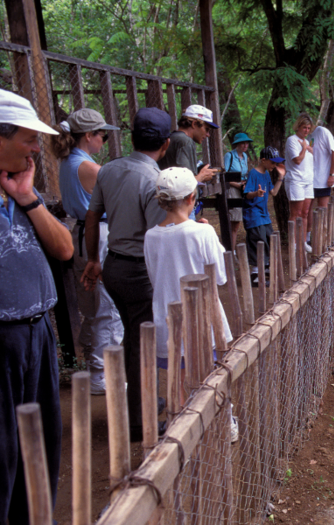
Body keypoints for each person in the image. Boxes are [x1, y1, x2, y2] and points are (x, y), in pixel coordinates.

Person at [0, 89, 73, 524]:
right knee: (4, 448)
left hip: (38, 333)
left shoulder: (21, 192)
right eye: (28, 139)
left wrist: (28, 199)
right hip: (3, 339)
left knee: (42, 440)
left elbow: (64, 249)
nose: (34, 148)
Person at [81, 107, 171, 442]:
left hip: (113, 265)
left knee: (132, 339)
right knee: (141, 343)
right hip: (138, 271)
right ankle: (138, 421)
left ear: (132, 138)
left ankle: (141, 401)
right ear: (165, 144)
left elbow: (92, 218)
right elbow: (155, 236)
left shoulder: (109, 170)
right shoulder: (153, 180)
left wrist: (93, 259)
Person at [52, 108, 123, 395]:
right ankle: (100, 376)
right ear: (89, 136)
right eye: (102, 136)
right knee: (109, 307)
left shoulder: (69, 162)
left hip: (81, 235)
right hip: (99, 236)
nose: (103, 141)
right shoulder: (90, 168)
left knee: (93, 306)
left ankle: (94, 368)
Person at [144, 167, 232, 382]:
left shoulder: (150, 236)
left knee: (180, 384)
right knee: (210, 381)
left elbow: (155, 278)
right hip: (203, 320)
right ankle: (223, 418)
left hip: (168, 321)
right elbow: (220, 277)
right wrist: (211, 237)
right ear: (192, 197)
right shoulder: (202, 232)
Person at [243, 146, 286, 287]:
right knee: (258, 241)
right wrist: (257, 193)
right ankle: (255, 274)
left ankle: (266, 266)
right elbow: (247, 194)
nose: (274, 165)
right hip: (254, 215)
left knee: (269, 238)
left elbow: (273, 192)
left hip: (264, 214)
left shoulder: (267, 174)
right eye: (272, 162)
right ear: (263, 160)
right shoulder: (253, 174)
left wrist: (281, 178)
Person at [158, 104, 218, 185]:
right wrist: (202, 176)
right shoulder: (185, 141)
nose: (208, 134)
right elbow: (186, 183)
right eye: (206, 129)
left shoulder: (172, 137)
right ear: (194, 124)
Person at [284, 113, 314, 253]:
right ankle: (293, 243)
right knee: (295, 213)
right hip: (296, 180)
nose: (306, 130)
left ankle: (303, 242)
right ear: (298, 127)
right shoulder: (292, 140)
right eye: (304, 127)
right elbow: (297, 160)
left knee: (305, 212)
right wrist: (304, 148)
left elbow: (312, 156)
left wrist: (308, 147)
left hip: (308, 180)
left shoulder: (306, 142)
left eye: (308, 128)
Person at [224, 132, 253, 251]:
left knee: (237, 222)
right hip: (232, 190)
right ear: (237, 144)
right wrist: (238, 185)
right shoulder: (229, 156)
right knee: (234, 221)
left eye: (246, 143)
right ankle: (230, 251)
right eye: (242, 143)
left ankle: (232, 251)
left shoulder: (245, 157)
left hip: (242, 189)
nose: (245, 145)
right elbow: (224, 177)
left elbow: (244, 174)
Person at [309, 122, 334, 211]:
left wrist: (332, 175)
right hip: (309, 179)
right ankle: (310, 226)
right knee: (307, 210)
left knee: (322, 209)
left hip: (323, 179)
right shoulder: (307, 136)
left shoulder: (323, 132)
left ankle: (323, 225)